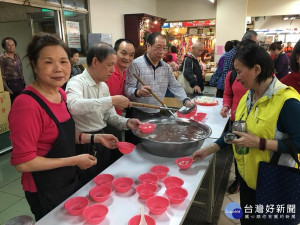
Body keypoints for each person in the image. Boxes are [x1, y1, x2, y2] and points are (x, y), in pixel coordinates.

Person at [8, 33, 117, 221]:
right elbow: (23, 163)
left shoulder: (60, 93)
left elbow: (63, 135)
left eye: (63, 61)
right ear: (34, 64)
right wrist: (74, 160)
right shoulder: (26, 104)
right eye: (49, 62)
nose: (58, 69)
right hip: (44, 188)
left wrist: (95, 138)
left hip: (67, 178)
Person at [192, 39, 300, 225]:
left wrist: (259, 142)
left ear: (257, 69)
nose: (236, 76)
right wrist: (209, 149)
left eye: (239, 71)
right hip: (249, 180)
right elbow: (236, 133)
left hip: (275, 182)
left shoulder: (287, 102)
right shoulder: (247, 97)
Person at [66, 42, 141, 186]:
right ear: (95, 61)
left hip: (103, 137)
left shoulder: (103, 86)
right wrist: (111, 100)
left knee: (107, 179)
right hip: (85, 142)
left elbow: (109, 116)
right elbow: (73, 106)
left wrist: (127, 122)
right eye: (109, 65)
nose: (113, 70)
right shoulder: (76, 83)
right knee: (89, 184)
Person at [124, 32, 194, 144]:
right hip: (137, 113)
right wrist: (137, 92)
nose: (161, 52)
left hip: (156, 112)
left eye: (164, 48)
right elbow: (127, 89)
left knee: (152, 143)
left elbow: (175, 86)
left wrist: (186, 101)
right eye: (158, 48)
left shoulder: (166, 67)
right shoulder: (136, 64)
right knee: (136, 145)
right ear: (148, 46)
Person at [220, 67, 247, 194]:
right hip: (236, 121)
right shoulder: (232, 75)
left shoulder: (265, 76)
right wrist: (226, 105)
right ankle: (239, 179)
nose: (238, 77)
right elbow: (228, 93)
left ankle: (249, 179)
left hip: (255, 121)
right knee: (237, 152)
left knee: (251, 153)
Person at [216, 30, 258, 98]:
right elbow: (226, 74)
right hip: (233, 92)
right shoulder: (232, 54)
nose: (255, 45)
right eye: (254, 42)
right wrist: (227, 93)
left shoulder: (252, 54)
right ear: (247, 41)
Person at [105, 39, 135, 116]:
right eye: (124, 53)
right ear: (115, 53)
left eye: (131, 55)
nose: (127, 58)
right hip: (105, 118)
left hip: (117, 117)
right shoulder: (107, 73)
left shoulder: (127, 72)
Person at [0, 37, 25, 103]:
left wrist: (23, 81)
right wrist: (6, 88)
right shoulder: (2, 57)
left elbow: (21, 68)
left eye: (13, 44)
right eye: (9, 45)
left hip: (20, 82)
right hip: (10, 84)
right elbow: (1, 74)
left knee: (22, 102)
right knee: (14, 103)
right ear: (4, 47)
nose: (11, 47)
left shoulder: (16, 55)